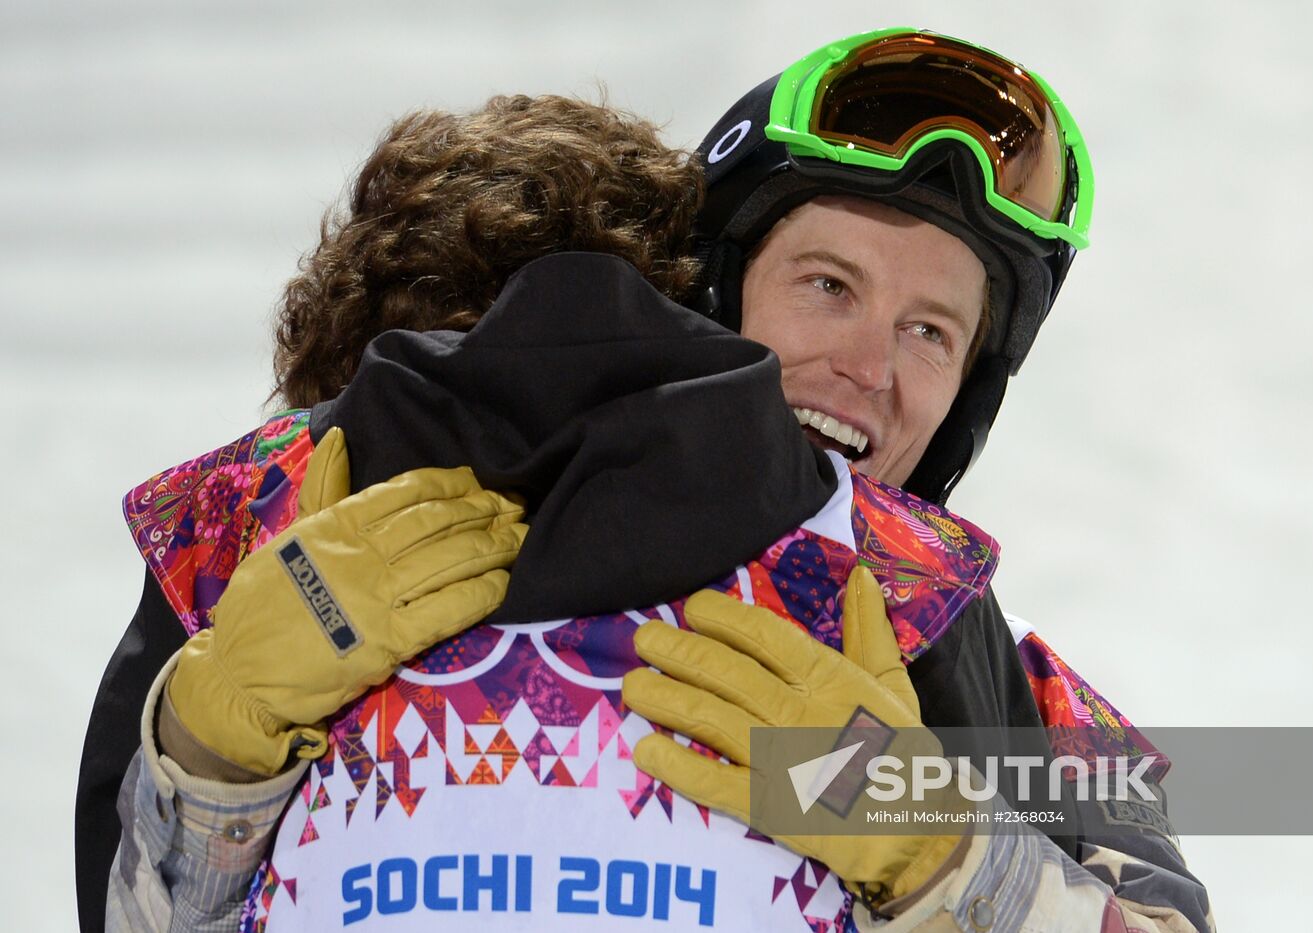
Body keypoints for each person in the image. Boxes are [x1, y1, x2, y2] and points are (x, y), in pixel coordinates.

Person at [84, 30, 1211, 933]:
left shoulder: (954, 637)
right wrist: (206, 758)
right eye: (825, 285)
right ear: (701, 297)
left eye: (929, 331)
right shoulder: (270, 532)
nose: (866, 368)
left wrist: (945, 860)